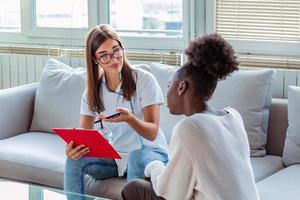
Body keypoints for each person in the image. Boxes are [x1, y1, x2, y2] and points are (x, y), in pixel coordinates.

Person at [121, 34, 260, 200]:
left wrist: (153, 166)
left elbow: (171, 194)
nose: (166, 93)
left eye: (168, 85)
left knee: (133, 188)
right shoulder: (233, 117)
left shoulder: (190, 127)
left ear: (181, 87)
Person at [64, 24, 168, 198]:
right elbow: (84, 135)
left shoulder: (144, 80)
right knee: (74, 160)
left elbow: (152, 133)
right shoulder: (92, 92)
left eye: (116, 51)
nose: (113, 59)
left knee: (135, 157)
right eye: (104, 55)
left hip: (150, 152)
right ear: (95, 59)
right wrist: (73, 149)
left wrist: (130, 119)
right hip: (116, 156)